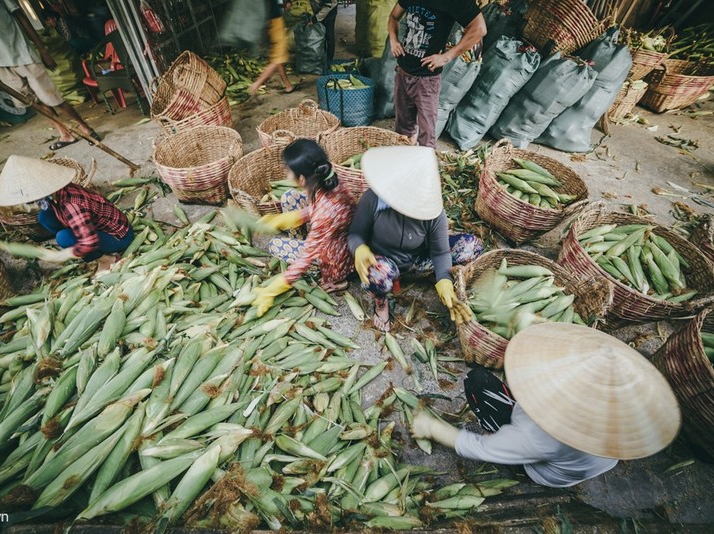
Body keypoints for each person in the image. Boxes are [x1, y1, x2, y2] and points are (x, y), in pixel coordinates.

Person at [411, 323, 682, 488]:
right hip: (589, 461)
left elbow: (479, 448)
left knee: (477, 381)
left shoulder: (538, 435)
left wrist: (432, 427)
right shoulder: (624, 405)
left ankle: (520, 459)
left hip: (548, 471)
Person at [347, 146, 482, 331]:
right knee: (375, 275)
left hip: (416, 260)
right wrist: (360, 249)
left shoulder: (434, 213)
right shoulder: (374, 199)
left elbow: (440, 251)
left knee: (471, 246)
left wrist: (445, 282)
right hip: (383, 263)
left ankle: (427, 276)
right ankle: (381, 302)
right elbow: (355, 233)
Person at [0, 0, 100, 151]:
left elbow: (20, 15)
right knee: (33, 101)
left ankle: (86, 129)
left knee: (53, 98)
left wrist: (42, 50)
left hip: (22, 52)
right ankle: (65, 134)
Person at [251, 139, 356, 316]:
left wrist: (271, 291)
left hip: (336, 256)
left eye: (288, 169)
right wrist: (283, 219)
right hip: (335, 232)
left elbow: (304, 260)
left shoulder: (324, 215)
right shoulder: (328, 178)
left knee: (276, 245)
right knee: (289, 197)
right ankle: (301, 239)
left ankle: (336, 281)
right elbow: (318, 209)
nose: (286, 172)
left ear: (301, 178)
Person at [0, 155, 134, 267]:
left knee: (64, 238)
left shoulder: (72, 205)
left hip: (118, 236)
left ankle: (106, 259)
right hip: (92, 226)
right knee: (44, 216)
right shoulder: (54, 192)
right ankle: (76, 240)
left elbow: (89, 242)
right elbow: (34, 206)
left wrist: (62, 255)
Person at [388, 1, 487, 147]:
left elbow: (479, 29)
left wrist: (447, 56)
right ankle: (405, 162)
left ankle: (424, 166)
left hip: (426, 80)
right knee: (403, 131)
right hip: (402, 72)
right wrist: (394, 40)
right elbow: (394, 17)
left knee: (427, 136)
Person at [248, 0, 295, 96]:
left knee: (277, 56)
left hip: (271, 23)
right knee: (278, 59)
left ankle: (288, 85)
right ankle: (255, 86)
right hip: (275, 22)